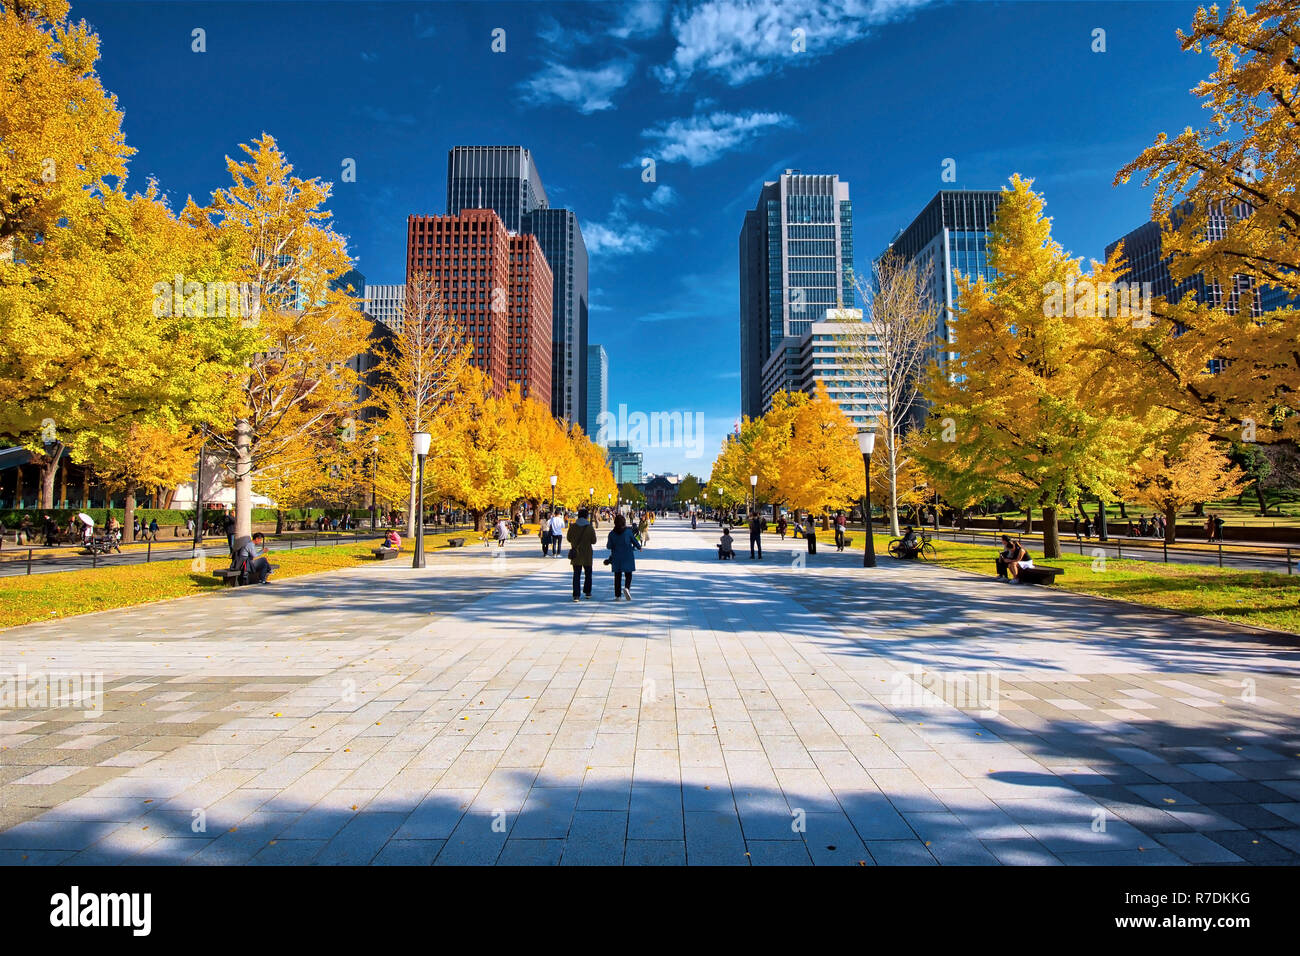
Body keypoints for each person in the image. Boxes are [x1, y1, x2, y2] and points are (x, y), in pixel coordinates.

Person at [606, 513, 641, 600]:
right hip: (627, 556)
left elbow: (608, 546)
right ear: (624, 522)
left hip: (616, 557)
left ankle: (617, 596)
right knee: (628, 574)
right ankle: (627, 588)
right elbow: (634, 540)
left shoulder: (611, 534)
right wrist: (639, 547)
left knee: (617, 576)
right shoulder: (628, 532)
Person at [567, 507, 597, 601]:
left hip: (576, 553)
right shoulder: (589, 527)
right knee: (588, 573)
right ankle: (587, 592)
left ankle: (576, 595)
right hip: (587, 553)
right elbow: (594, 541)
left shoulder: (573, 527)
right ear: (586, 516)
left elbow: (569, 538)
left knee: (576, 574)